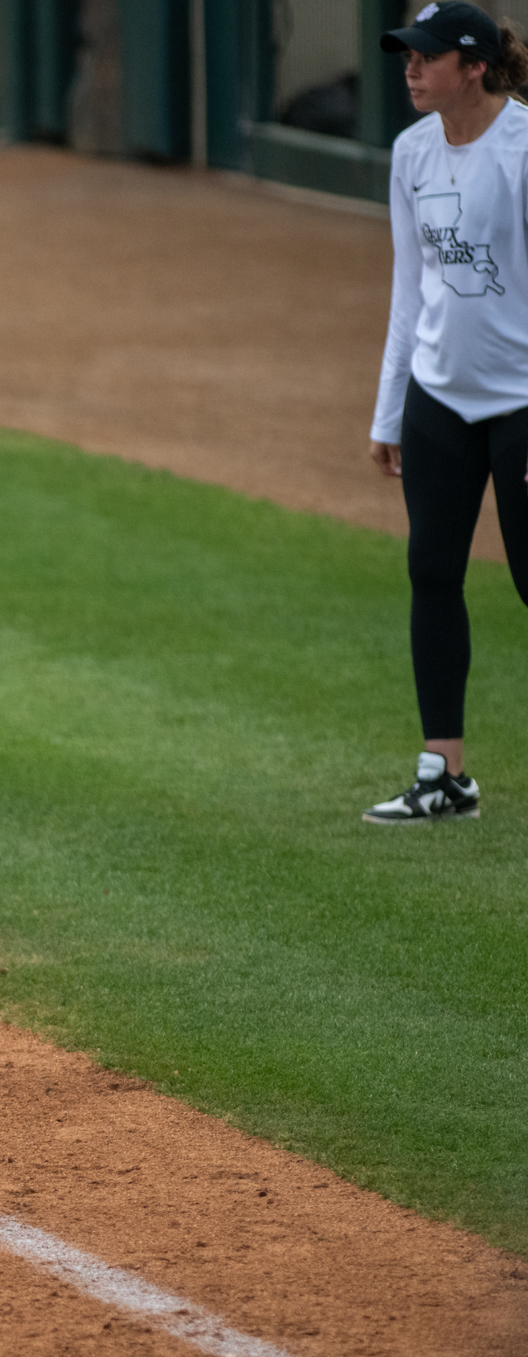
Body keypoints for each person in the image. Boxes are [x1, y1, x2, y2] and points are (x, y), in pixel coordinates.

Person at [367, 2, 528, 824]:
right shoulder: (411, 152)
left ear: (472, 65)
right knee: (432, 571)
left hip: (522, 401)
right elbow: (410, 286)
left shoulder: (524, 150)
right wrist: (389, 408)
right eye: (405, 54)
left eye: (426, 56)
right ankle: (444, 774)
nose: (410, 67)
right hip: (438, 398)